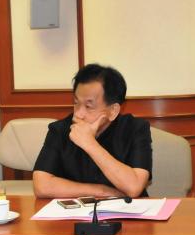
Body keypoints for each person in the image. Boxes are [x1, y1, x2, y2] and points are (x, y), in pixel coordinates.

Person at [32, 63, 152, 199]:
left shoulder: (136, 128)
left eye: (89, 106)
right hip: (76, 211)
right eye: (76, 103)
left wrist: (90, 143)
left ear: (113, 111)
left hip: (129, 211)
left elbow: (134, 187)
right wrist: (101, 191)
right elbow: (41, 186)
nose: (78, 114)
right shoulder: (59, 130)